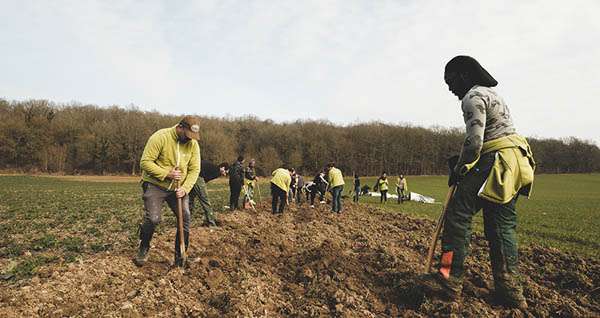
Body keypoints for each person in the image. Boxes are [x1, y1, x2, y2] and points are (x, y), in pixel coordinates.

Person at [421, 55, 535, 310]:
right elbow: (487, 137)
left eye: (450, 81)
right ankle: (510, 291)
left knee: (456, 216)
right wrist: (462, 159)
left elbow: (475, 143)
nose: (449, 88)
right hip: (515, 161)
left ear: (463, 75)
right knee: (501, 226)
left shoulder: (471, 97)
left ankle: (448, 281)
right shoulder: (493, 95)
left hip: (495, 160)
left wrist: (460, 169)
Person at [134, 115, 201, 267]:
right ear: (180, 127)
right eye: (188, 135)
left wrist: (185, 188)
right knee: (153, 219)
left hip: (178, 188)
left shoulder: (193, 144)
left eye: (193, 136)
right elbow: (145, 162)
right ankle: (144, 246)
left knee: (185, 218)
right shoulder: (160, 137)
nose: (190, 139)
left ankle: (180, 257)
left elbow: (195, 169)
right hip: (155, 184)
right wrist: (167, 173)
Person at [189, 160, 229, 227]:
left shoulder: (215, 170)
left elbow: (205, 180)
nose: (225, 174)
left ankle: (187, 220)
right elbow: (204, 179)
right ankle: (211, 223)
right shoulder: (215, 171)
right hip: (197, 175)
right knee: (205, 200)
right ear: (222, 167)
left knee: (190, 198)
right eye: (225, 171)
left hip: (193, 174)